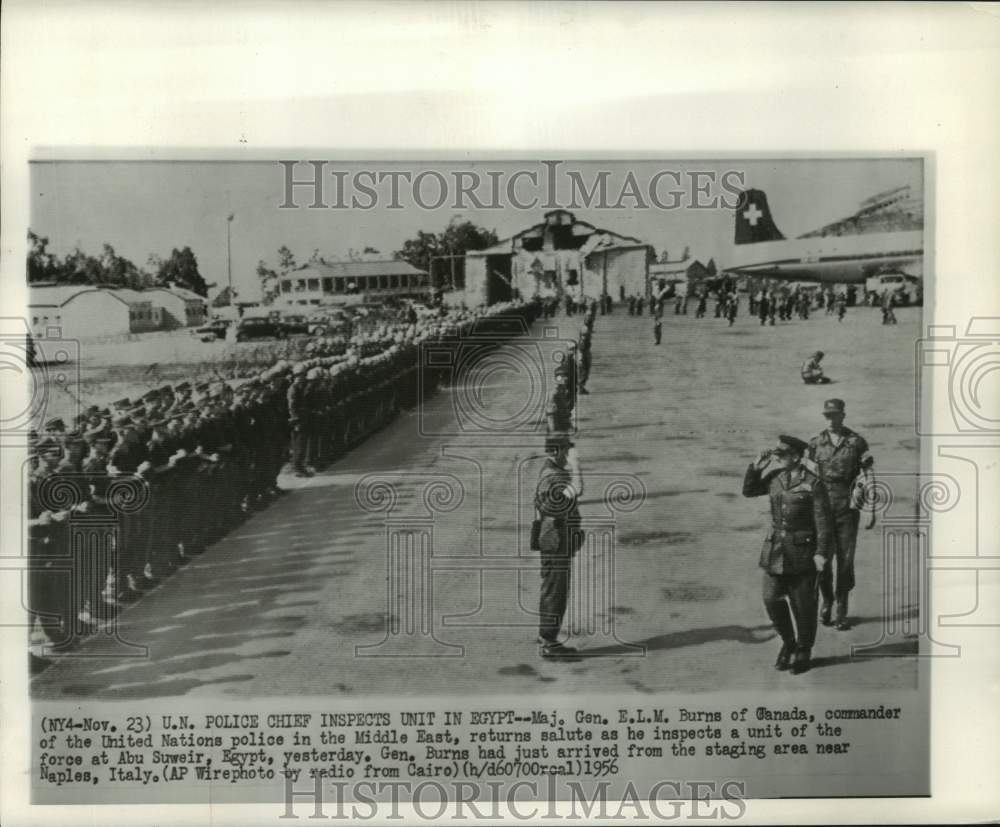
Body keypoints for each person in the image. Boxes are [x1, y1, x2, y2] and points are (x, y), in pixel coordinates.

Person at [742, 434, 832, 675]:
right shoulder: (775, 477)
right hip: (776, 550)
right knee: (771, 598)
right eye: (777, 455)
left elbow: (823, 522)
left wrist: (822, 553)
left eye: (782, 455)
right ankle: (788, 642)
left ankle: (803, 649)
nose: (778, 458)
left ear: (796, 457)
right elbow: (749, 491)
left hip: (803, 551)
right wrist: (755, 468)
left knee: (803, 605)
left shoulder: (813, 483)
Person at [807, 399, 874, 630]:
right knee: (822, 559)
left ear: (843, 415)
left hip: (847, 508)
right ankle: (827, 601)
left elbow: (868, 475)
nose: (831, 419)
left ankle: (842, 607)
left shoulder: (856, 442)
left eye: (835, 415)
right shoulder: (815, 443)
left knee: (845, 560)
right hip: (821, 508)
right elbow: (807, 476)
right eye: (827, 415)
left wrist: (871, 509)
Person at [534, 433, 583, 658]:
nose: (567, 455)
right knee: (556, 590)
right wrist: (576, 468)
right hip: (556, 538)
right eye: (566, 451)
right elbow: (576, 489)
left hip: (554, 536)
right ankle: (549, 643)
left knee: (552, 588)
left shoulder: (550, 470)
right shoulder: (553, 474)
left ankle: (547, 636)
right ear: (557, 451)